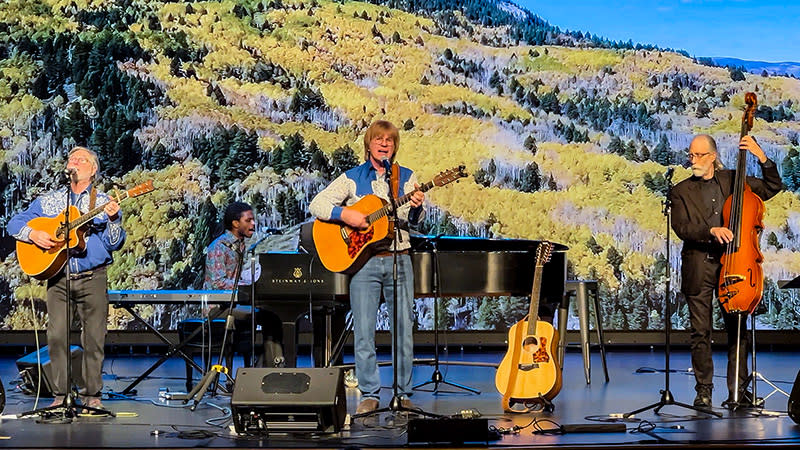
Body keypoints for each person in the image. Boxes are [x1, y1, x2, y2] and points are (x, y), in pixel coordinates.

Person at [309, 120, 425, 414]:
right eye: (379, 139)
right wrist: (346, 215)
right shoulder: (351, 178)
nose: (384, 144)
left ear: (395, 146)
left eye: (390, 140)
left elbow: (415, 222)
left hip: (400, 258)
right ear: (368, 144)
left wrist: (417, 208)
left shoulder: (406, 177)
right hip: (364, 263)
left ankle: (403, 394)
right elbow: (317, 204)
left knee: (403, 331)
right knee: (364, 332)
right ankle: (370, 394)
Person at [8, 146, 125, 412]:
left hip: (93, 276)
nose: (74, 162)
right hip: (58, 277)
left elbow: (114, 243)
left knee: (93, 338)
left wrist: (114, 219)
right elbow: (13, 223)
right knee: (57, 336)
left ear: (93, 170)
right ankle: (60, 395)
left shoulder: (103, 201)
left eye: (81, 159)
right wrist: (33, 235)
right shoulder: (49, 201)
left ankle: (92, 395)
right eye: (71, 158)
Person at [670, 134, 783, 409]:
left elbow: (772, 186)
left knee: (737, 330)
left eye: (699, 155)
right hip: (699, 265)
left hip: (734, 264)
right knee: (700, 332)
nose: (693, 160)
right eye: (691, 155)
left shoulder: (734, 180)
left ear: (712, 156)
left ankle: (738, 392)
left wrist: (761, 155)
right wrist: (710, 230)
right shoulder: (680, 190)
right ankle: (703, 391)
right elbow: (682, 227)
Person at [203, 201, 284, 368]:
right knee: (270, 317)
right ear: (235, 223)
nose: (253, 224)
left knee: (273, 315)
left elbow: (235, 277)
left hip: (234, 303)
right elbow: (218, 283)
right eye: (248, 220)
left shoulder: (239, 245)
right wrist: (246, 284)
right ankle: (271, 367)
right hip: (218, 307)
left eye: (253, 220)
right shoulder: (219, 247)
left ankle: (267, 366)